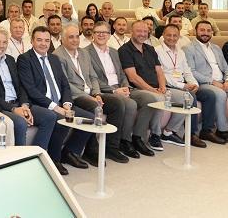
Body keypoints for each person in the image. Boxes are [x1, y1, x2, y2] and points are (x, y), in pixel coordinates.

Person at [17, 26, 93, 175]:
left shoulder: (54, 58)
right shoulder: (25, 59)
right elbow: (30, 89)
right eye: (39, 40)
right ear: (32, 41)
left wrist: (66, 104)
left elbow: (64, 84)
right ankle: (53, 159)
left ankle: (69, 152)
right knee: (59, 119)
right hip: (39, 104)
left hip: (60, 104)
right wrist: (56, 107)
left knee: (88, 119)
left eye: (47, 40)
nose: (43, 44)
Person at [54, 25, 128, 164]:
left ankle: (111, 148)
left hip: (91, 92)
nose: (75, 40)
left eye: (77, 36)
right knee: (94, 107)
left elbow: (93, 77)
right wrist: (89, 97)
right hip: (75, 95)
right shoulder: (58, 55)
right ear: (63, 39)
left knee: (117, 104)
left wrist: (97, 93)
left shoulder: (83, 53)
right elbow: (65, 83)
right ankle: (91, 150)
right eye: (71, 37)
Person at [0, 28, 56, 149]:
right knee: (20, 123)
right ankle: (21, 158)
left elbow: (21, 86)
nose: (1, 46)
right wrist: (13, 109)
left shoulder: (10, 60)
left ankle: (36, 154)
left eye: (4, 42)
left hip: (18, 103)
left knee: (49, 116)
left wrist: (24, 105)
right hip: (1, 106)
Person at [155, 24, 219, 146]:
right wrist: (182, 86)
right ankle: (191, 134)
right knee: (190, 97)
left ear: (179, 36)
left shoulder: (180, 52)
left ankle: (207, 130)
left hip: (184, 83)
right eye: (169, 35)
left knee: (209, 95)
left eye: (175, 36)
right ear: (163, 35)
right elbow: (161, 74)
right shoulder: (156, 51)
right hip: (169, 85)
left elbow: (187, 71)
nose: (172, 38)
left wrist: (194, 84)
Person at [87, 21, 140, 159]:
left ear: (109, 35)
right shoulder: (86, 53)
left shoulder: (115, 52)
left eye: (104, 32)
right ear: (92, 34)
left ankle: (136, 138)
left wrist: (125, 87)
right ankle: (118, 144)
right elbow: (92, 78)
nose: (101, 35)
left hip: (120, 87)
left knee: (148, 99)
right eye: (98, 32)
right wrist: (114, 91)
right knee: (129, 104)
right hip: (104, 90)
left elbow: (121, 73)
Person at [118, 21, 165, 155]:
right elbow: (133, 77)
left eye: (145, 31)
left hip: (156, 87)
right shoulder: (124, 50)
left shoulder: (150, 49)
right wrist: (154, 90)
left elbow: (159, 71)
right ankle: (144, 136)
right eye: (139, 31)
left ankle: (169, 132)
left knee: (183, 97)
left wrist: (162, 87)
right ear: (131, 32)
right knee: (155, 99)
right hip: (136, 89)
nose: (142, 34)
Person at [184, 21, 228, 141]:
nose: (206, 33)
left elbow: (226, 67)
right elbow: (192, 71)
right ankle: (222, 130)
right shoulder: (188, 48)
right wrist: (212, 82)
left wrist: (227, 80)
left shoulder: (216, 48)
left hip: (221, 81)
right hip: (204, 83)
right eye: (202, 30)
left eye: (208, 31)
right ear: (196, 31)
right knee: (220, 94)